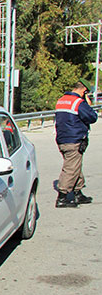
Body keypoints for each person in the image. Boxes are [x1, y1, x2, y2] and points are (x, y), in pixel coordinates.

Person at [54, 78, 98, 208]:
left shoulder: (62, 100)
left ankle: (78, 193)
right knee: (71, 168)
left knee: (74, 164)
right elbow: (92, 117)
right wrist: (86, 103)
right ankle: (62, 197)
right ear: (84, 90)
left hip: (62, 138)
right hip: (74, 139)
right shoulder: (78, 102)